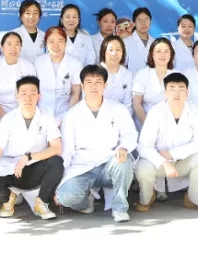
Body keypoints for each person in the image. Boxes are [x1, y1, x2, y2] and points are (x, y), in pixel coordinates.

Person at [56, 65, 139, 222]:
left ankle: (120, 208)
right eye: (89, 82)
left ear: (105, 85)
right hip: (82, 166)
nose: (93, 86)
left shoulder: (118, 109)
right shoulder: (71, 115)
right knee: (65, 197)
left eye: (98, 82)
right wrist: (61, 181)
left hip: (109, 162)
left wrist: (123, 147)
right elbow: (67, 150)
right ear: (82, 86)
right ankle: (86, 202)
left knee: (124, 161)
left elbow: (130, 134)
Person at [0, 76, 64, 219]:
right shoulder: (8, 119)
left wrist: (29, 157)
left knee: (56, 162)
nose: (28, 98)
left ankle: (41, 202)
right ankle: (9, 199)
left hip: (34, 166)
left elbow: (56, 148)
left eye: (32, 93)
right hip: (11, 168)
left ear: (39, 96)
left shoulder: (46, 117)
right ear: (16, 96)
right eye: (23, 93)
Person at [133, 73, 198, 212]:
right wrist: (164, 162)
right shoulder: (155, 112)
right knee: (142, 168)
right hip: (159, 162)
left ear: (187, 93)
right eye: (172, 88)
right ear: (165, 93)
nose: (177, 93)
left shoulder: (195, 112)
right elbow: (144, 146)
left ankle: (194, 199)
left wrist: (172, 154)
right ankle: (147, 198)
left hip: (183, 161)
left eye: (181, 89)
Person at [0, 32, 37, 141]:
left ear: (21, 47)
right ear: (2, 47)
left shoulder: (28, 66)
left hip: (22, 117)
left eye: (17, 44)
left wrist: (22, 118)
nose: (13, 48)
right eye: (9, 44)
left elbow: (33, 93)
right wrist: (6, 119)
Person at [34, 27, 83, 122]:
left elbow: (75, 94)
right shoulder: (37, 62)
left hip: (65, 114)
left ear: (65, 43)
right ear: (46, 43)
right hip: (41, 115)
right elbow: (33, 91)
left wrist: (66, 118)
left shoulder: (75, 64)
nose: (56, 45)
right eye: (51, 41)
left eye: (60, 41)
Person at [133, 38, 176, 127]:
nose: (162, 55)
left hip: (171, 125)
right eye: (158, 51)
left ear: (171, 54)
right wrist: (148, 127)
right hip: (146, 123)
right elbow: (137, 103)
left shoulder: (177, 75)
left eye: (166, 51)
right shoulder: (142, 74)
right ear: (152, 54)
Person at [99, 35, 134, 115]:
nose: (114, 54)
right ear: (104, 52)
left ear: (123, 52)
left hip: (121, 117)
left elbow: (128, 103)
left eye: (118, 50)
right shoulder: (95, 73)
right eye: (110, 50)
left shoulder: (128, 75)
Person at [125, 7, 156, 75]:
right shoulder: (126, 42)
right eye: (139, 20)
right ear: (134, 23)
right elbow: (121, 67)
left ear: (150, 22)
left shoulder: (155, 43)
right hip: (133, 80)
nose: (143, 23)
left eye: (146, 20)